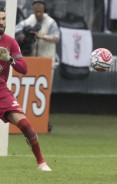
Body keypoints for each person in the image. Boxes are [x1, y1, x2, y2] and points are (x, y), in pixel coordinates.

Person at [0, 7, 51, 171]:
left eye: (3, 19)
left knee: (26, 125)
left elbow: (23, 68)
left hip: (1, 91)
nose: (1, 22)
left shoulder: (10, 42)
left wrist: (9, 59)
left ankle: (41, 163)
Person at [15, 0, 60, 132]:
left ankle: (44, 120)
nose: (38, 13)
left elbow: (56, 37)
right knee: (30, 90)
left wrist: (42, 36)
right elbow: (17, 29)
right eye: (36, 11)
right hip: (32, 60)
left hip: (47, 60)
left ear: (44, 10)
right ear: (33, 10)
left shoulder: (50, 22)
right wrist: (24, 34)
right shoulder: (29, 20)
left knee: (46, 92)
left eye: (40, 11)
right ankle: (31, 119)